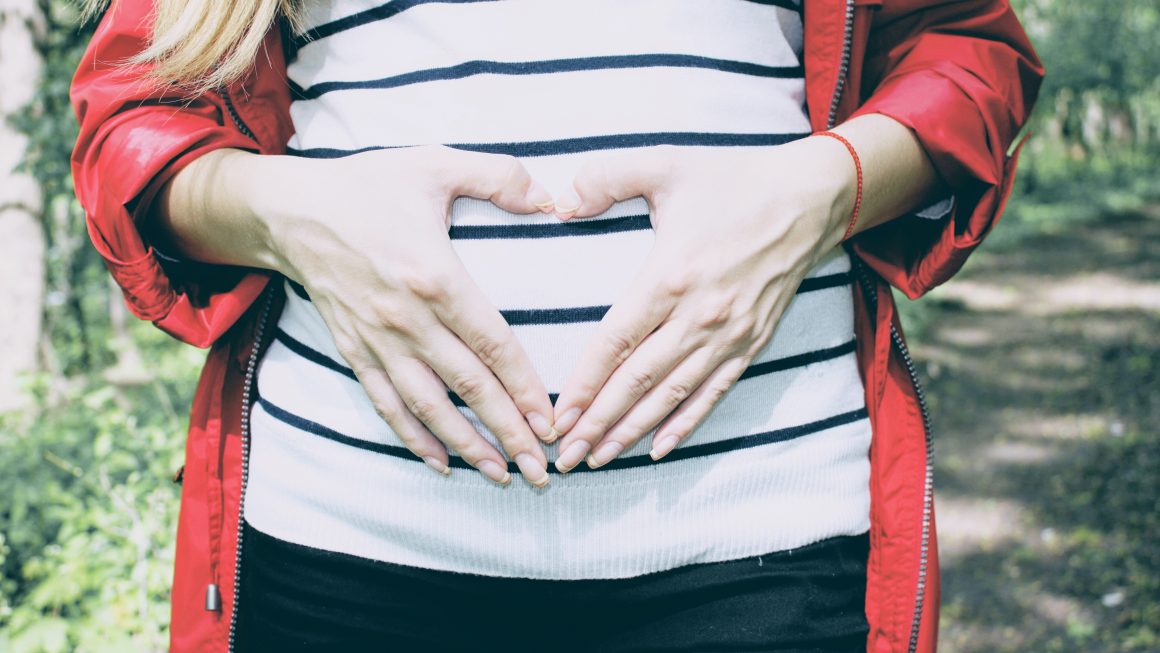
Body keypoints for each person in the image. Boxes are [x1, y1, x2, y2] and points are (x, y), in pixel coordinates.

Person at [70, 1, 1042, 651]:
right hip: (340, 548)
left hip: (760, 540)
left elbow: (966, 53)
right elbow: (131, 127)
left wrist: (823, 187)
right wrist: (287, 211)